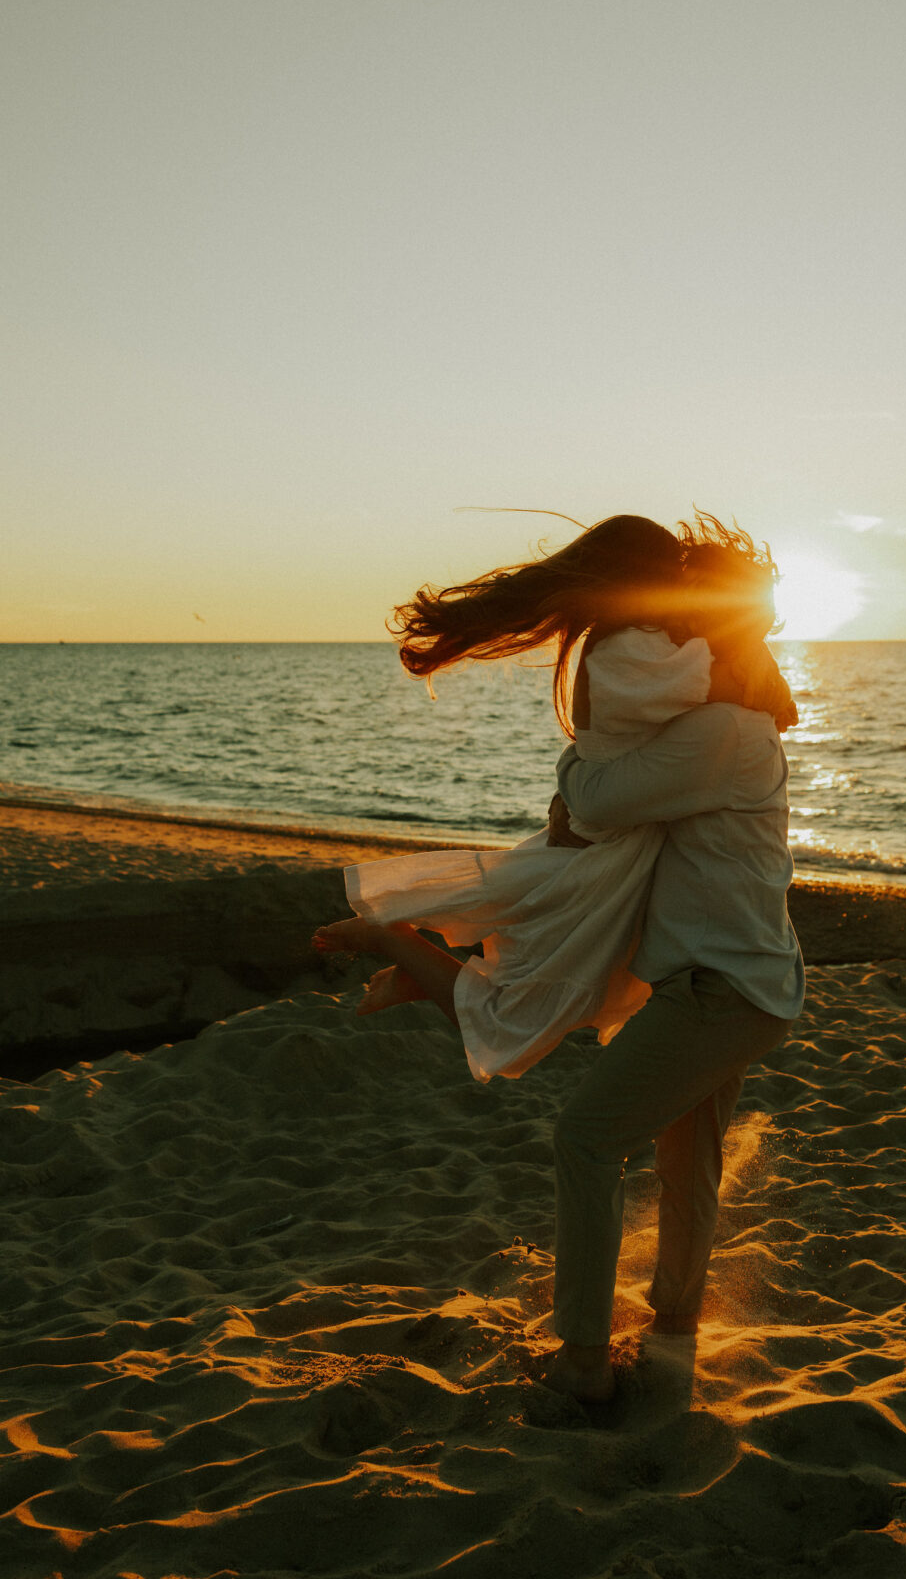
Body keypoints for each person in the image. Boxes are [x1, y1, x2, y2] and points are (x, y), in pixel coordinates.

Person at [311, 514, 795, 1086]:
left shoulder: (645, 637)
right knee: (532, 1006)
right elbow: (741, 691)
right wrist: (756, 659)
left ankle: (419, 973)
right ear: (639, 582)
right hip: (607, 834)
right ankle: (395, 945)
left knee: (561, 974)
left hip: (621, 822)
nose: (683, 592)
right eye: (673, 578)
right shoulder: (634, 645)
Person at [543, 533, 806, 1403]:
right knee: (686, 1159)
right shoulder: (734, 719)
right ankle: (674, 1333)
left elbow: (593, 803)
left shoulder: (718, 730)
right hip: (742, 981)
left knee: (584, 1140)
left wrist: (574, 758)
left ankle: (582, 1366)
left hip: (719, 991)